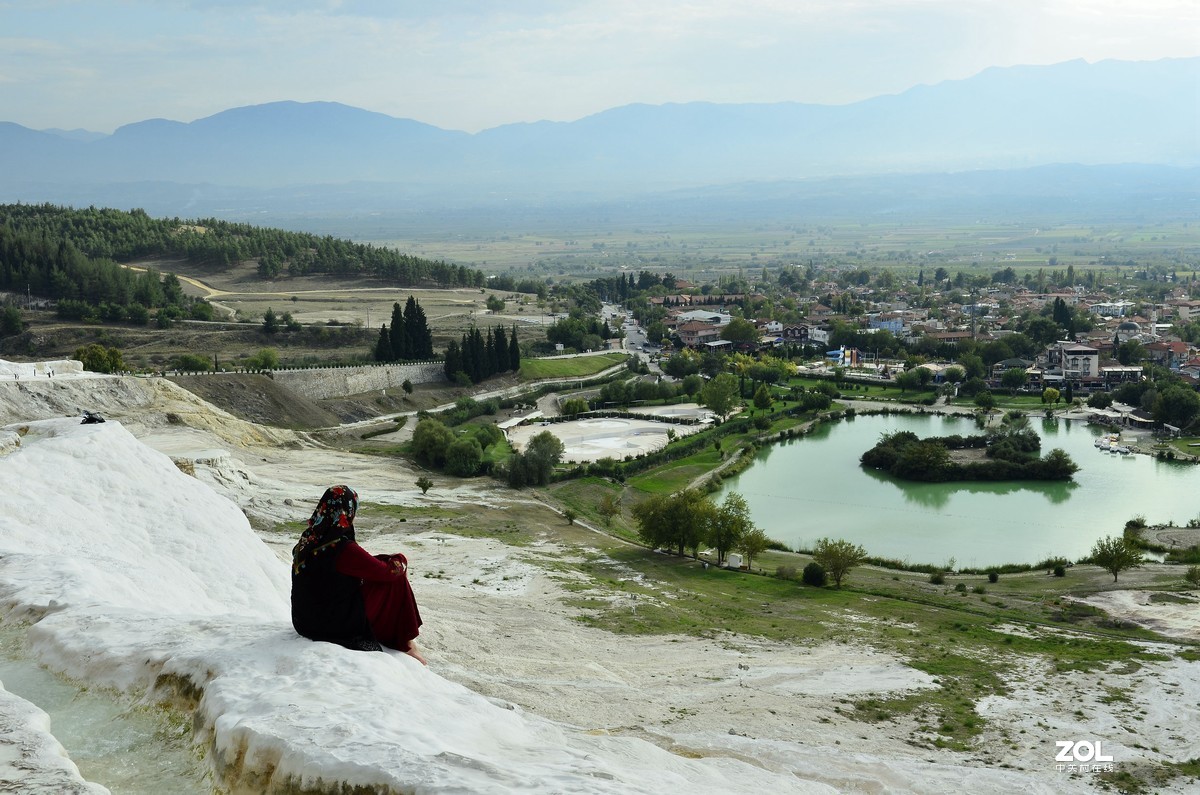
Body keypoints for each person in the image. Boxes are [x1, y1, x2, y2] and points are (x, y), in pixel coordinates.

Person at [291, 485, 425, 663]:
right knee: (395, 579)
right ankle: (406, 642)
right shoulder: (341, 547)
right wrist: (401, 559)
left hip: (303, 621)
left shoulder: (308, 539)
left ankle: (405, 640)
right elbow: (389, 572)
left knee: (378, 566)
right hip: (328, 626)